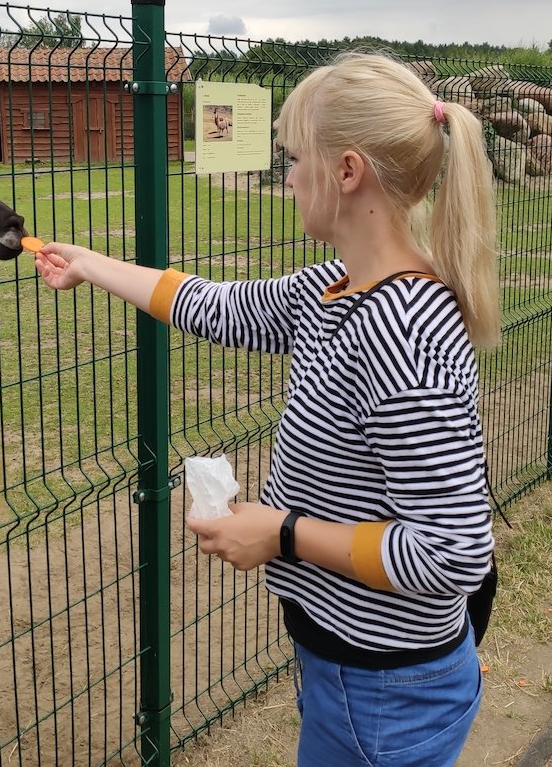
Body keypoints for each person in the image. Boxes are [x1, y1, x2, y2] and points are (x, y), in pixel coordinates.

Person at [34, 50, 500, 766]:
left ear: (346, 172)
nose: (285, 177)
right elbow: (216, 306)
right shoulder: (335, 290)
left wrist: (280, 533)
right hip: (351, 669)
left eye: (292, 159)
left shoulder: (402, 333)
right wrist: (90, 264)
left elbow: (450, 552)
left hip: (385, 691)